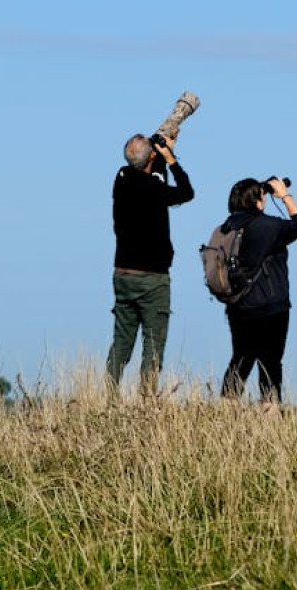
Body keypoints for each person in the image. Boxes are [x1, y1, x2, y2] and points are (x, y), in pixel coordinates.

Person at [106, 132, 195, 397]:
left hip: (123, 273)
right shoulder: (154, 190)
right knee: (154, 343)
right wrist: (171, 159)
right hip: (152, 277)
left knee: (122, 341)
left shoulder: (121, 179)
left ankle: (109, 397)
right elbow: (186, 192)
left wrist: (158, 157)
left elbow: (146, 171)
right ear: (151, 158)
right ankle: (147, 401)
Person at [218, 177, 297, 408]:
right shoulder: (268, 226)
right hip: (270, 305)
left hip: (238, 305)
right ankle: (269, 416)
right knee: (270, 362)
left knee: (241, 357)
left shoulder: (226, 229)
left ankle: (225, 413)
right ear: (257, 201)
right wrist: (284, 195)